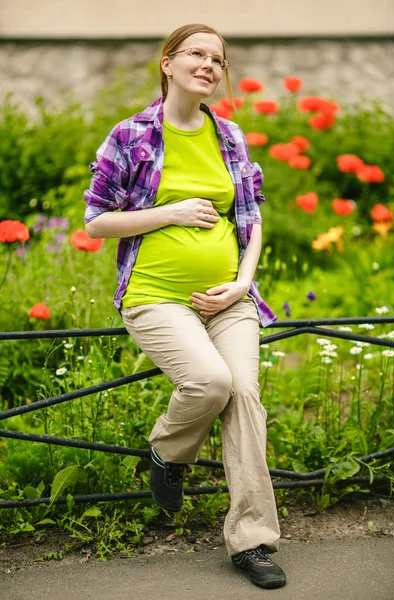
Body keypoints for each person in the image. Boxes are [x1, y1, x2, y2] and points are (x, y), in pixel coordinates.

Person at [83, 23, 286, 590]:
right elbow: (96, 221)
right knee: (208, 381)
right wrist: (168, 214)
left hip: (229, 298)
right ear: (168, 64)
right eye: (196, 54)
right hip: (156, 296)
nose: (209, 65)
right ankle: (168, 454)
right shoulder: (132, 135)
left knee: (244, 394)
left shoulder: (231, 138)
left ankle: (253, 542)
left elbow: (253, 218)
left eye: (217, 59)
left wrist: (244, 283)